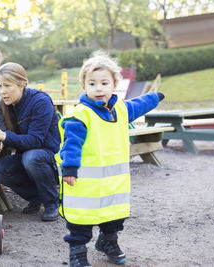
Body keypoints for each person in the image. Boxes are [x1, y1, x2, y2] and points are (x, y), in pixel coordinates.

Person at [57, 51, 165, 267]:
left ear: (114, 84)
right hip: (82, 183)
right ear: (84, 86)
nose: (98, 88)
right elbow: (72, 143)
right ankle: (77, 253)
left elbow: (139, 105)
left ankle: (108, 241)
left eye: (104, 83)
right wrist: (69, 168)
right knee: (80, 221)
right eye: (92, 83)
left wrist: (154, 97)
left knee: (114, 215)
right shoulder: (81, 114)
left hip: (113, 183)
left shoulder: (121, 109)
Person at [0, 62, 61, 222]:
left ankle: (52, 202)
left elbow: (35, 141)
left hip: (48, 154)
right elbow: (4, 134)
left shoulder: (40, 101)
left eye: (7, 86)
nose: (2, 91)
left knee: (32, 158)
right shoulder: (6, 105)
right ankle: (36, 197)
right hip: (25, 154)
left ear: (22, 85)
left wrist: (5, 137)